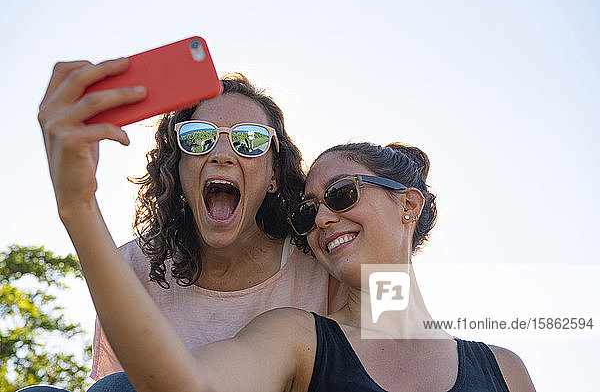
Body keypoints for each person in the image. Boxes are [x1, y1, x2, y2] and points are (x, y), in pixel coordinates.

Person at [38, 79, 537, 392]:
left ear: (409, 204)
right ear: (177, 162)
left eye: (341, 194)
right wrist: (79, 208)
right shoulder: (296, 336)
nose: (320, 219)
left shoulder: (501, 369)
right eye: (309, 210)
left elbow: (394, 326)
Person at [25, 58, 345, 391]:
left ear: (274, 175)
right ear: (178, 167)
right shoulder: (132, 267)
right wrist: (77, 201)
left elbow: (396, 328)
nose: (222, 154)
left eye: (249, 141)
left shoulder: (323, 259)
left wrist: (398, 224)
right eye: (198, 138)